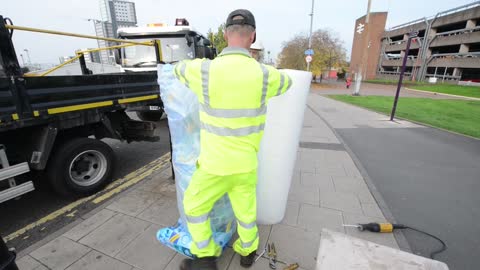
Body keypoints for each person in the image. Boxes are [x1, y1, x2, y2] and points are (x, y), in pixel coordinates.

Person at [174, 9, 292, 270]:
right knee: (246, 213)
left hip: (213, 166)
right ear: (253, 37)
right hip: (245, 165)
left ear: (226, 35)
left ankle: (205, 257)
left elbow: (178, 70)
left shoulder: (203, 71)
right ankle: (247, 251)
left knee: (193, 206)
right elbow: (287, 83)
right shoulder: (265, 75)